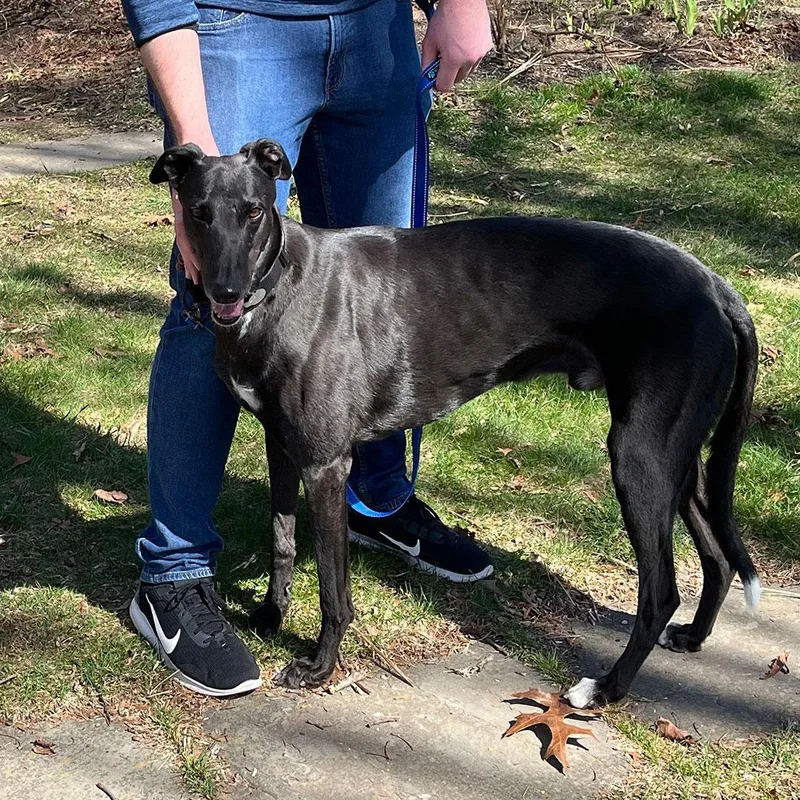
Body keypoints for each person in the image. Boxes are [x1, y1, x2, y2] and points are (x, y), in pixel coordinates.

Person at [121, 0, 495, 697]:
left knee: (383, 296)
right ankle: (174, 572)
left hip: (377, 28)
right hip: (235, 24)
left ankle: (374, 500)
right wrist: (196, 158)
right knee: (211, 301)